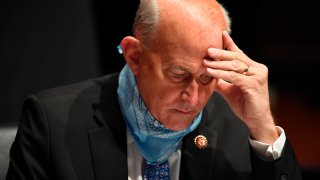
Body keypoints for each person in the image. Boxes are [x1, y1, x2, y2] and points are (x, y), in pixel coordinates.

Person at [6, 0, 302, 179]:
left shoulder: (237, 127)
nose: (194, 98)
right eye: (178, 73)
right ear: (135, 56)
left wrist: (263, 127)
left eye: (205, 78)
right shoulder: (50, 123)